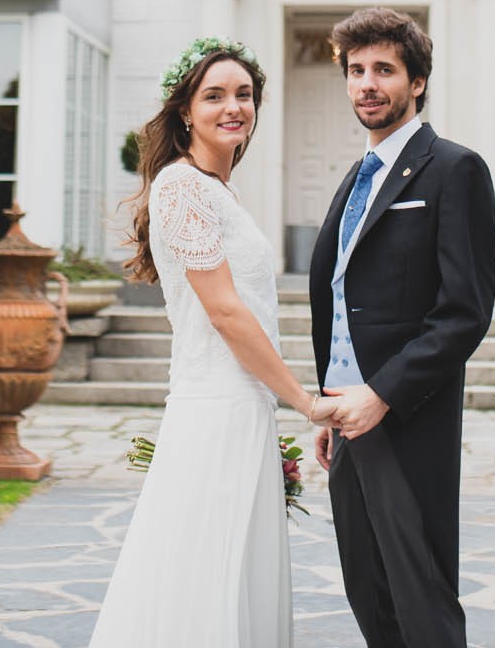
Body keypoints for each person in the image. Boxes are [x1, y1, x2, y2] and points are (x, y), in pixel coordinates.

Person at [90, 37, 336, 648]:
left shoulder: (220, 190)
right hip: (215, 407)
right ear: (185, 111)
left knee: (233, 565)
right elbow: (225, 312)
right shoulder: (181, 187)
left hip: (245, 403)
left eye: (244, 95)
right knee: (203, 567)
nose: (234, 107)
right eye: (215, 95)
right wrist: (306, 403)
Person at [310, 7, 495, 648]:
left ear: (416, 82)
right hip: (345, 414)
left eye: (384, 70)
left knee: (421, 595)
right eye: (356, 70)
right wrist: (332, 398)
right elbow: (342, 294)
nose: (367, 84)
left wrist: (382, 394)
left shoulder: (454, 169)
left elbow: (464, 311)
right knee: (368, 589)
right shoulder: (356, 178)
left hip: (406, 415)